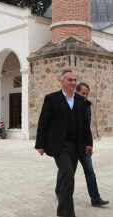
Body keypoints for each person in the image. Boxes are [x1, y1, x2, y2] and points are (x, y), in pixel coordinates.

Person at [35, 70, 93, 217]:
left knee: (68, 177)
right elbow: (43, 122)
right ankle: (68, 213)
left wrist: (89, 143)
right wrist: (40, 144)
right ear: (62, 82)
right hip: (59, 145)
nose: (73, 82)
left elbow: (85, 123)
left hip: (76, 145)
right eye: (69, 80)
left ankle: (61, 210)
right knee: (67, 172)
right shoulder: (52, 99)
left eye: (75, 80)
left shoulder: (80, 100)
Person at [55, 82, 109, 207]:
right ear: (76, 92)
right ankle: (59, 192)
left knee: (90, 171)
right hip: (68, 146)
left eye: (87, 94)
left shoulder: (87, 106)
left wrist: (90, 144)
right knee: (65, 172)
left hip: (83, 146)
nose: (85, 96)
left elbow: (86, 127)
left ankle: (95, 198)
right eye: (82, 93)